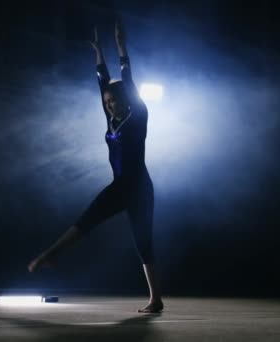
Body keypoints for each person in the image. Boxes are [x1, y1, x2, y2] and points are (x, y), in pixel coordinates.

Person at [27, 20, 164, 314]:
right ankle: (52, 254)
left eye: (114, 100)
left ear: (126, 100)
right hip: (123, 185)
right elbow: (102, 80)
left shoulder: (138, 115)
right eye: (107, 101)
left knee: (142, 241)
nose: (109, 104)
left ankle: (156, 299)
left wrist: (120, 46)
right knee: (91, 217)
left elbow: (126, 77)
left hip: (137, 186)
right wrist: (99, 51)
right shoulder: (111, 118)